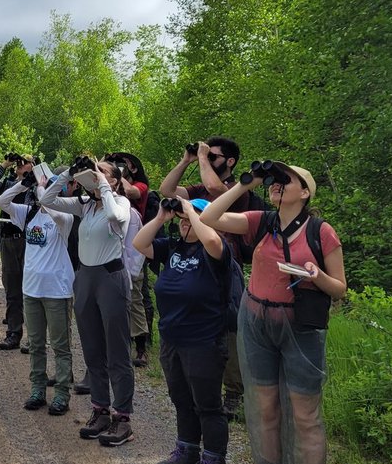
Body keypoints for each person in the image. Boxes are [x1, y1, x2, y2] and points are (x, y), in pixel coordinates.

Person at [199, 162, 346, 464]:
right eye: (275, 179)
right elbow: (211, 216)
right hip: (257, 320)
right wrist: (248, 182)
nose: (278, 185)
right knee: (264, 406)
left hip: (300, 327)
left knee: (304, 413)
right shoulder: (261, 221)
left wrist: (318, 276)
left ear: (306, 192)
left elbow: (340, 288)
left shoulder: (320, 232)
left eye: (287, 180)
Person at [159, 137, 268, 419]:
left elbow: (214, 189)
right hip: (195, 261)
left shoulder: (236, 189)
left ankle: (234, 391)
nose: (208, 159)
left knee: (228, 326)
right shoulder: (200, 187)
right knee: (200, 323)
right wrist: (187, 160)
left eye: (215, 156)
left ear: (230, 162)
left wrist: (203, 157)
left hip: (224, 265)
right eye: (208, 155)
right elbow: (167, 189)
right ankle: (205, 383)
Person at [133, 196, 231, 464]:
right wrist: (163, 218)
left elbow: (212, 241)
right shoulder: (173, 246)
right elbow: (139, 244)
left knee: (208, 404)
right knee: (181, 398)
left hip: (203, 340)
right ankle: (187, 451)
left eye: (191, 220)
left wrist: (193, 211)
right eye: (184, 220)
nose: (186, 224)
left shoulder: (216, 251)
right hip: (172, 338)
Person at [39, 157, 135, 446]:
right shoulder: (85, 204)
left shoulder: (120, 203)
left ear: (115, 180)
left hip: (110, 277)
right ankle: (100, 409)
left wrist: (104, 184)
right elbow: (47, 199)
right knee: (92, 348)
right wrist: (69, 173)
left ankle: (123, 418)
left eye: (102, 170)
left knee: (117, 351)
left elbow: (117, 218)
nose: (94, 173)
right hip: (85, 278)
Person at [0, 173, 76, 415]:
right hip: (31, 289)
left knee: (61, 346)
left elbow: (49, 203)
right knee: (36, 344)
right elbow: (1, 202)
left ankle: (62, 393)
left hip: (57, 290)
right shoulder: (28, 214)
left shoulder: (64, 217)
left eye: (48, 187)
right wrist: (23, 183)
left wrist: (42, 188)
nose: (42, 191)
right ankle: (38, 388)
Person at [106, 152, 156, 368]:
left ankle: (142, 348)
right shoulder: (111, 201)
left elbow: (131, 191)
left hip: (134, 254)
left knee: (136, 301)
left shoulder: (140, 188)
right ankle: (121, 344)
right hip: (115, 258)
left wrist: (118, 172)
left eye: (125, 166)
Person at [0, 154, 35, 350]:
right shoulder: (8, 183)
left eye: (26, 162)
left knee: (31, 291)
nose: (22, 165)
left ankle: (34, 337)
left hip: (31, 242)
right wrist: (5, 165)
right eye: (20, 163)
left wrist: (32, 178)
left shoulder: (38, 186)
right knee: (12, 290)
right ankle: (13, 333)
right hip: (8, 240)